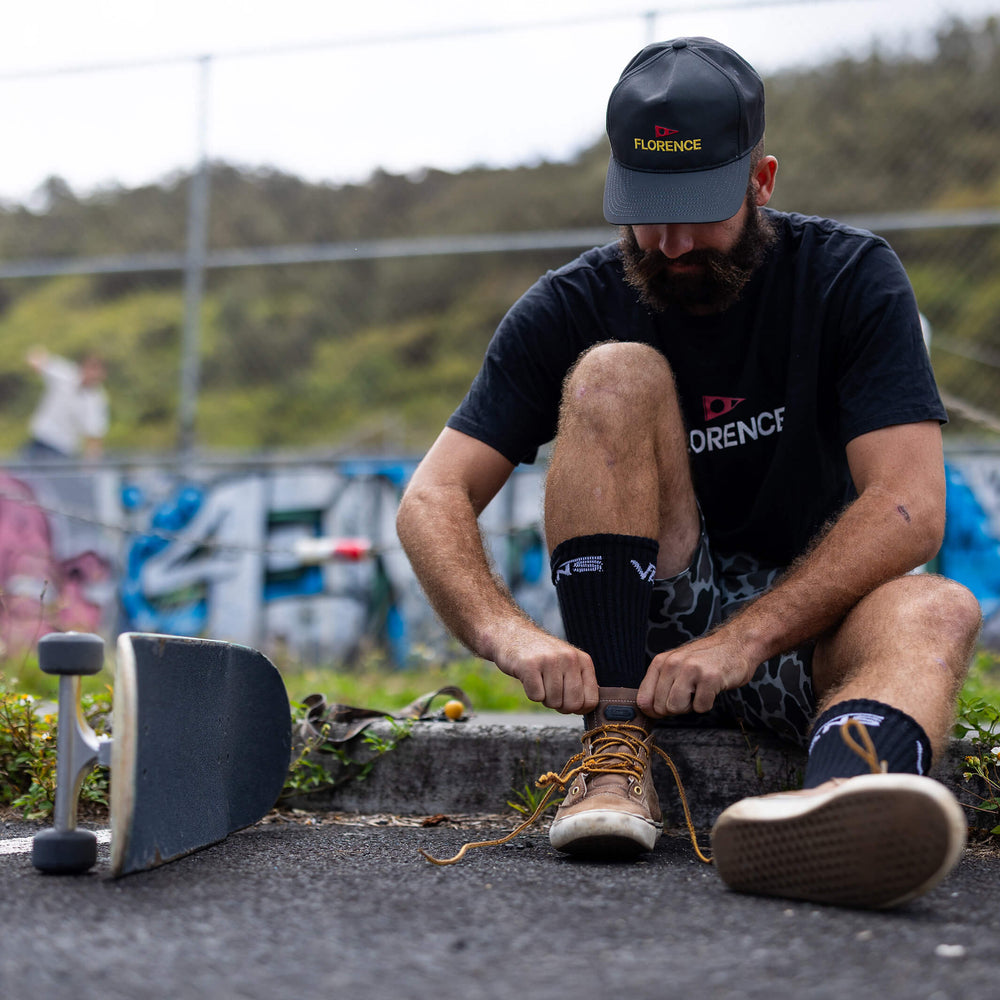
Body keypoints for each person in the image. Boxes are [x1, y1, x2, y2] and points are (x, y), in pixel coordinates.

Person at [396, 37, 983, 908]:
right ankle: (613, 752)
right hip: (645, 651)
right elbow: (431, 495)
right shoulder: (569, 303)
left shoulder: (851, 277)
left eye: (699, 210)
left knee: (939, 607)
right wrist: (505, 635)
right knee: (613, 372)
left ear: (761, 180)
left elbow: (909, 505)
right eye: (646, 211)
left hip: (808, 637)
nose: (670, 242)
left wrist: (745, 638)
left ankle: (842, 809)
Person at [24, 347, 109, 460]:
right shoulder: (66, 373)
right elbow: (38, 359)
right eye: (90, 368)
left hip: (62, 449)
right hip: (39, 438)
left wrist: (91, 462)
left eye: (96, 370)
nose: (92, 373)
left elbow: (94, 435)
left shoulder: (97, 400)